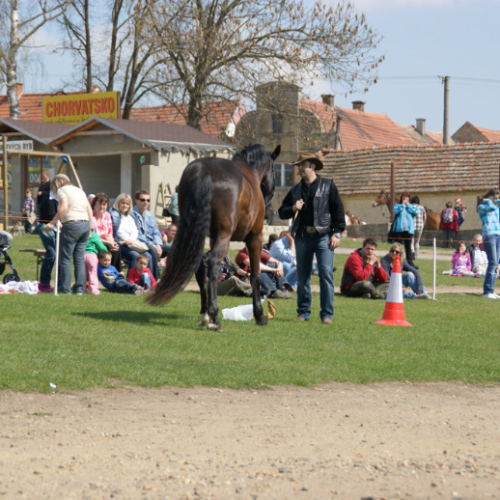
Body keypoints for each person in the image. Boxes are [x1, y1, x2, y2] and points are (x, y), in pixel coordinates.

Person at [278, 153, 345, 323]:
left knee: (326, 275)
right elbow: (281, 212)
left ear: (313, 166)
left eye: (303, 165)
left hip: (324, 236)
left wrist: (337, 233)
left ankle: (327, 315)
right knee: (302, 276)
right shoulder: (295, 190)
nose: (300, 168)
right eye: (298, 165)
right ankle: (303, 313)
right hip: (302, 236)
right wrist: (293, 208)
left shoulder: (328, 185)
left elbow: (338, 211)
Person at [43, 174, 92, 295]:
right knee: (79, 259)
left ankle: (65, 289)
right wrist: (89, 229)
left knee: (65, 259)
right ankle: (79, 289)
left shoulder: (62, 190)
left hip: (71, 225)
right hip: (85, 225)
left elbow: (64, 207)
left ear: (56, 184)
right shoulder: (80, 191)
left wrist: (52, 223)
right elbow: (89, 210)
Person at [110, 193, 154, 275]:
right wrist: (127, 239)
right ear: (118, 203)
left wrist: (131, 239)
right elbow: (118, 231)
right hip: (121, 243)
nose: (125, 206)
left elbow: (135, 231)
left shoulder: (129, 217)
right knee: (135, 256)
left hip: (132, 243)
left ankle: (148, 279)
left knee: (148, 256)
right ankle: (132, 280)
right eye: (123, 203)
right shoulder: (114, 215)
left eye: (127, 204)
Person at [131, 189, 170, 280]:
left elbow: (155, 232)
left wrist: (158, 244)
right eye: (143, 200)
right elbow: (137, 234)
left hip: (153, 244)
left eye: (148, 200)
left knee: (174, 250)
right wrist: (152, 244)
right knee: (152, 250)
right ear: (136, 200)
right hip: (140, 243)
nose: (146, 202)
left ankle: (172, 279)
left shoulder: (150, 215)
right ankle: (156, 279)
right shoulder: (132, 214)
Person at [477, 188, 500, 299]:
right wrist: (489, 201)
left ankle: (491, 289)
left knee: (496, 264)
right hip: (489, 235)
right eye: (494, 197)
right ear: (489, 197)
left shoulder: (496, 207)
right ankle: (487, 291)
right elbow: (491, 208)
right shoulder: (482, 206)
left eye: (497, 198)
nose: (496, 200)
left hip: (497, 235)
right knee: (493, 262)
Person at [92, 193, 122, 272]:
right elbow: (92, 236)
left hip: (104, 242)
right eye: (100, 204)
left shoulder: (107, 215)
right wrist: (108, 243)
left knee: (116, 249)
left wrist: (112, 244)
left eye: (104, 204)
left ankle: (115, 274)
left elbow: (109, 234)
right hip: (93, 243)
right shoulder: (91, 216)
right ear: (94, 205)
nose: (102, 207)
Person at [37, 189, 58, 293]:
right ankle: (44, 283)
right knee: (52, 253)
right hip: (45, 228)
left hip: (57, 227)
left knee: (60, 254)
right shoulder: (48, 199)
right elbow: (50, 217)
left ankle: (60, 282)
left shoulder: (60, 197)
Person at [391, 191, 418, 267]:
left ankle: (410, 263)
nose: (405, 199)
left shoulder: (411, 206)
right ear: (401, 198)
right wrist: (402, 205)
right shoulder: (397, 205)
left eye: (406, 197)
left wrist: (408, 205)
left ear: (409, 199)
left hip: (408, 230)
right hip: (399, 230)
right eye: (403, 197)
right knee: (397, 247)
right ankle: (396, 261)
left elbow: (415, 212)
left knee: (408, 247)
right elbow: (395, 211)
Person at [84, 228, 108, 295]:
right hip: (92, 256)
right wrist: (106, 249)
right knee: (93, 274)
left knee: (83, 274)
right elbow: (100, 246)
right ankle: (93, 290)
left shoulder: (82, 234)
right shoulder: (94, 235)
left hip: (82, 255)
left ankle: (82, 289)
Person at [410, 195, 427, 260]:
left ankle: (412, 252)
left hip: (412, 226)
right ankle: (416, 255)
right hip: (420, 227)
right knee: (417, 242)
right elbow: (425, 218)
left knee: (411, 241)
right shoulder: (422, 208)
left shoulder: (410, 207)